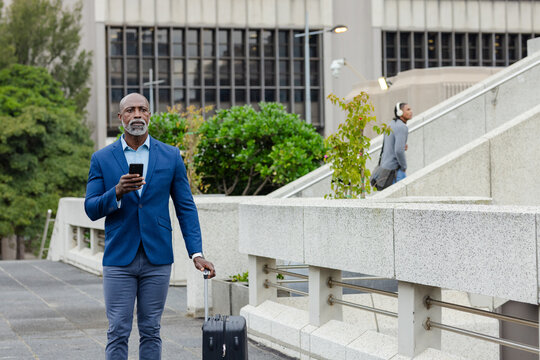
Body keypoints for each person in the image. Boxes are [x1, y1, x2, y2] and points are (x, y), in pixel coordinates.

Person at [84, 93, 215, 360]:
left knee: (151, 330)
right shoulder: (102, 158)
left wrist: (196, 253)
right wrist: (117, 192)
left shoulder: (170, 155)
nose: (137, 115)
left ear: (150, 116)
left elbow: (185, 207)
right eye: (130, 110)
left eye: (143, 109)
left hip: (157, 258)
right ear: (120, 118)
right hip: (119, 258)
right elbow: (91, 208)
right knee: (118, 331)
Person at [380, 102, 412, 183]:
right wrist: (404, 167)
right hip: (396, 171)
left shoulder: (390, 124)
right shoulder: (402, 127)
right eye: (408, 109)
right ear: (400, 112)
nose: (411, 111)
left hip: (385, 168)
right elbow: (398, 151)